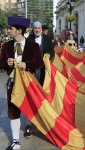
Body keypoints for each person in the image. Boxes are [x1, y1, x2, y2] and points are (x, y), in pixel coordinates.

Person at [0, 17, 44, 150]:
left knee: (29, 108)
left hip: (28, 83)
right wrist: (5, 64)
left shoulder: (33, 46)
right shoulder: (6, 46)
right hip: (13, 83)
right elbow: (0, 63)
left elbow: (40, 63)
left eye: (11, 28)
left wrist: (27, 64)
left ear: (19, 31)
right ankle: (15, 140)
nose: (8, 30)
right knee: (13, 110)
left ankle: (28, 127)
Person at [27, 21, 54, 138]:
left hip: (44, 70)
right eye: (35, 28)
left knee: (44, 93)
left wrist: (48, 54)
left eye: (38, 28)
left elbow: (52, 51)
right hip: (33, 70)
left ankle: (44, 119)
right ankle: (30, 124)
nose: (37, 30)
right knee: (32, 94)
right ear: (33, 29)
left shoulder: (47, 39)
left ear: (41, 29)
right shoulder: (29, 38)